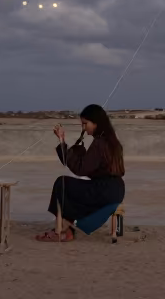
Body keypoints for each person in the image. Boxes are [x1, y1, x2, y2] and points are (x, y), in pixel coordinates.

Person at [36, 103, 126, 242]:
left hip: (104, 190)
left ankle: (60, 231)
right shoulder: (113, 142)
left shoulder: (99, 143)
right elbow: (96, 169)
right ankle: (68, 228)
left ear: (96, 123)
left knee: (62, 183)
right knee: (72, 187)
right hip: (118, 190)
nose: (84, 128)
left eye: (85, 124)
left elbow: (81, 169)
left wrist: (61, 141)